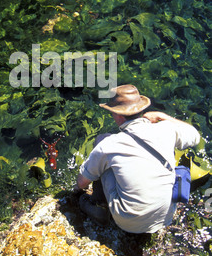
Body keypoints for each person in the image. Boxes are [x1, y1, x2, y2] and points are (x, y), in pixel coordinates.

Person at [75, 84, 201, 233]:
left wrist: (76, 192)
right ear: (141, 109)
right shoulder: (167, 129)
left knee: (102, 143)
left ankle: (100, 206)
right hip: (164, 217)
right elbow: (195, 136)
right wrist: (163, 117)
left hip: (128, 222)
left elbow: (82, 182)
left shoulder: (109, 145)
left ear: (119, 116)